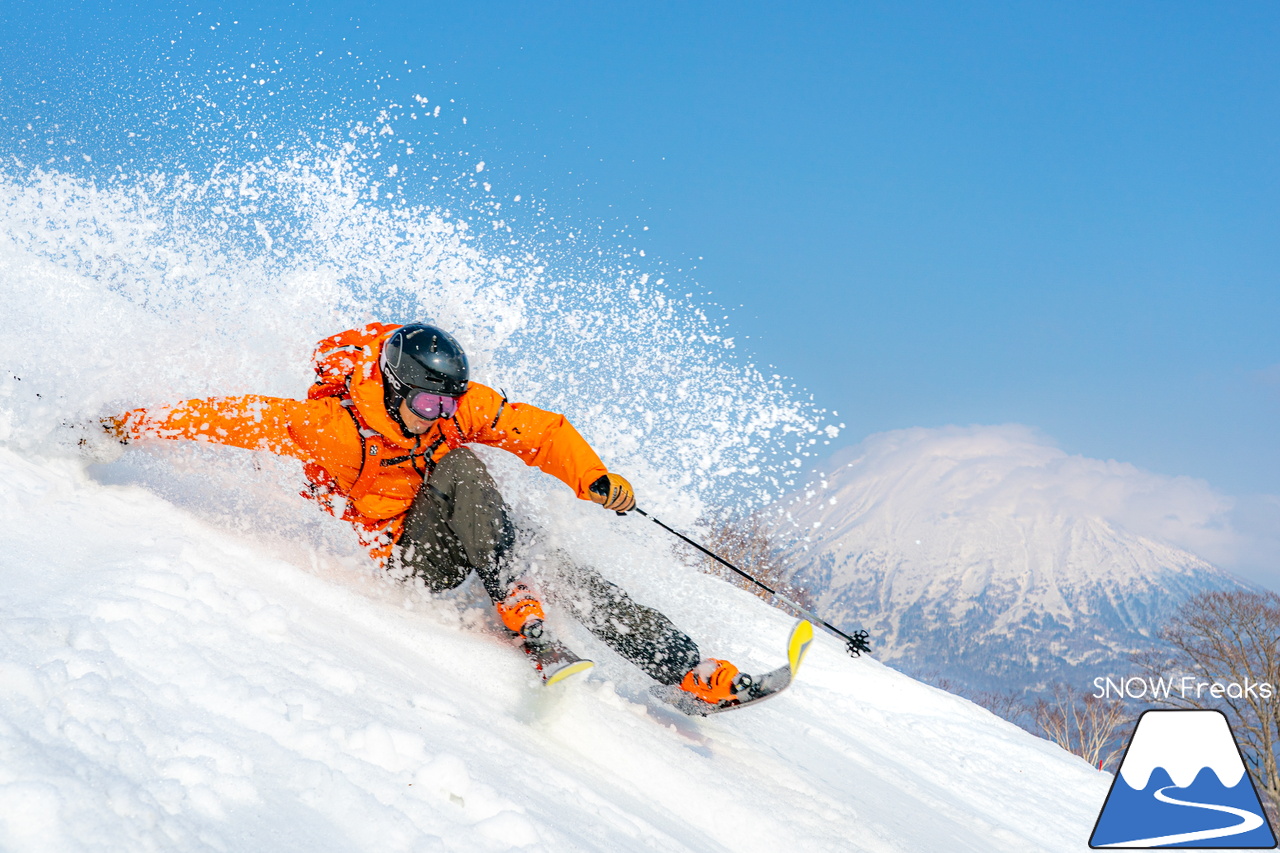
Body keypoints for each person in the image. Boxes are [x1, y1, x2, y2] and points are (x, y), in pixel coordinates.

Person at [103, 322, 757, 708]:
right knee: (465, 469)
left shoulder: (450, 404)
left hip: (470, 528)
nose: (443, 416)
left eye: (450, 404)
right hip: (415, 558)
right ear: (392, 388)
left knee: (553, 562)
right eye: (428, 405)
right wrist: (133, 425)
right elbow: (236, 418)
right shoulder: (335, 429)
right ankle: (516, 603)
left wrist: (594, 477)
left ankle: (685, 668)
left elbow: (538, 432)